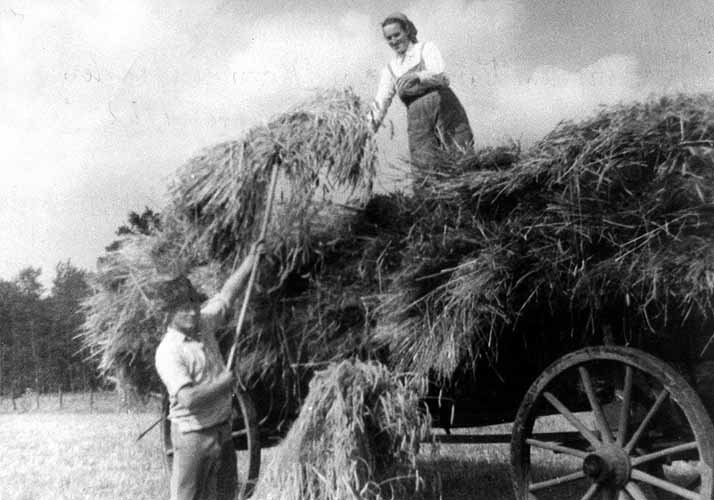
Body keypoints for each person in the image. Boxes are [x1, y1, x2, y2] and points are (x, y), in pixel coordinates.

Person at [154, 243, 262, 500]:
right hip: (194, 437)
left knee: (226, 495)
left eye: (194, 304)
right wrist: (223, 383)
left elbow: (227, 296)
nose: (192, 312)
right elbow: (188, 399)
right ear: (169, 313)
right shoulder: (169, 352)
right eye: (183, 308)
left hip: (223, 432)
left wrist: (250, 260)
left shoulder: (203, 324)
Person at [369, 12, 474, 165]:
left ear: (407, 31)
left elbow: (439, 73)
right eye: (389, 38)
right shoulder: (390, 69)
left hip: (445, 109)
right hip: (418, 121)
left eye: (397, 35)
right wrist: (366, 131)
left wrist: (417, 76)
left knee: (461, 154)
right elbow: (380, 103)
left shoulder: (425, 48)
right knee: (424, 165)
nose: (393, 41)